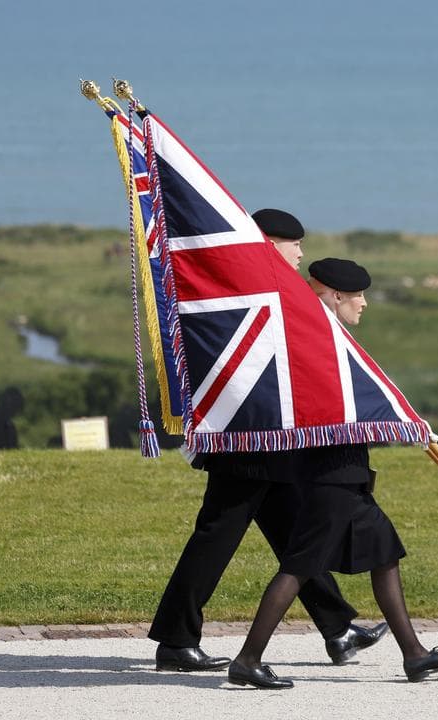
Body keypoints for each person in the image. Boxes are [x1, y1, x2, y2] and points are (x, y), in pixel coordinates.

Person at [149, 210, 386, 673]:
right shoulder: (258, 289)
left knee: (294, 533)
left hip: (266, 443)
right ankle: (176, 640)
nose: (300, 253)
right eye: (292, 244)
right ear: (268, 243)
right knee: (216, 535)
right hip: (247, 440)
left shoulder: (271, 287)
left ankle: (337, 628)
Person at [227, 258, 438, 690]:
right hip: (329, 472)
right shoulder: (317, 337)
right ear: (336, 295)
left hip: (347, 472)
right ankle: (247, 659)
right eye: (358, 296)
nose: (365, 304)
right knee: (300, 565)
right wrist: (404, 421)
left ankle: (414, 654)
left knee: (384, 551)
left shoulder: (329, 336)